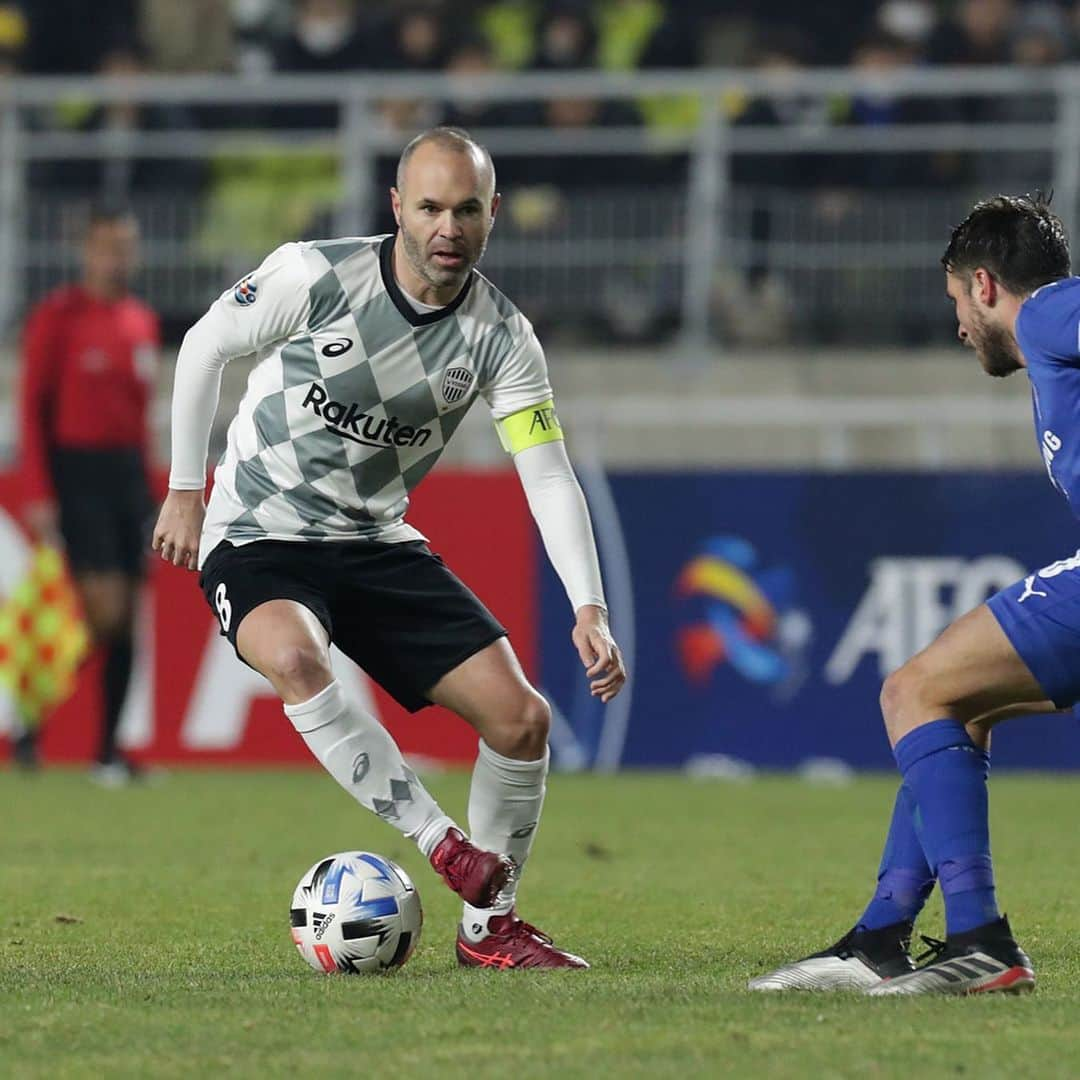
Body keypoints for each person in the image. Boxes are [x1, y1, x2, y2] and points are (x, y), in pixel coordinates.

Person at [152, 126, 627, 969]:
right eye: (432, 207)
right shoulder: (316, 273)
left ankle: (491, 929)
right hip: (259, 531)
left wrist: (588, 606)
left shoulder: (501, 338)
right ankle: (442, 844)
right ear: (398, 207)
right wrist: (187, 489)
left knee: (523, 721)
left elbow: (548, 477)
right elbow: (202, 348)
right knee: (297, 660)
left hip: (374, 540)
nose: (449, 228)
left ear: (494, 216)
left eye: (468, 210)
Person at [748, 194, 1076, 995]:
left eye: (959, 300)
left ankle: (981, 941)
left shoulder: (1046, 317)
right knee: (955, 703)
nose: (960, 324)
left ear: (988, 286)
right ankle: (884, 934)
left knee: (915, 688)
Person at [17, 206, 160, 782]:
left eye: (125, 246)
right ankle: (29, 722)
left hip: (127, 477)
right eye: (106, 246)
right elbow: (32, 407)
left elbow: (140, 418)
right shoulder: (58, 317)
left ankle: (108, 752)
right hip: (75, 471)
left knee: (127, 619)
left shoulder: (140, 320)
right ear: (86, 251)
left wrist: (153, 493)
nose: (116, 257)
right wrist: (39, 490)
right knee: (102, 610)